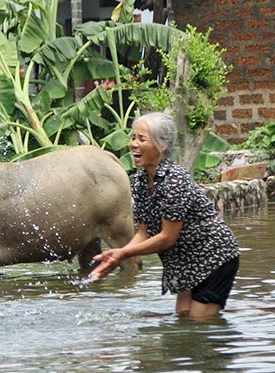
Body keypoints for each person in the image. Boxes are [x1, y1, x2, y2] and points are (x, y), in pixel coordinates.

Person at [89, 112, 240, 318]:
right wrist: (118, 256)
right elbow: (144, 232)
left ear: (163, 145)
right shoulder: (141, 181)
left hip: (214, 257)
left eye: (142, 139)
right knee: (183, 319)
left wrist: (123, 254)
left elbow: (167, 238)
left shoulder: (173, 180)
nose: (134, 144)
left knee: (199, 324)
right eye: (133, 137)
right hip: (185, 262)